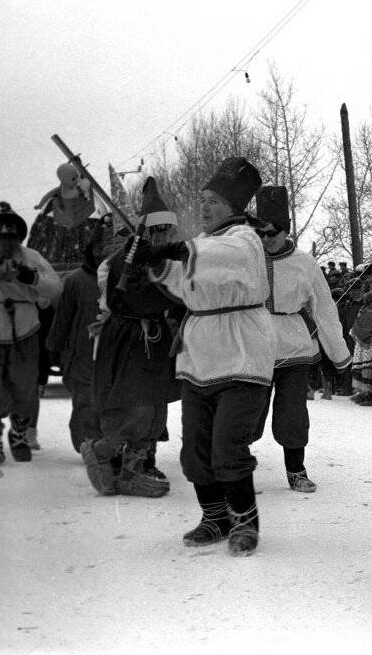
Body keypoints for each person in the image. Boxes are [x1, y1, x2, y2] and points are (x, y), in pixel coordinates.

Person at [135, 157, 275, 556]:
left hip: (241, 353)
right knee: (195, 449)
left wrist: (178, 248)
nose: (205, 206)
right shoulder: (203, 245)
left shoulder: (245, 239)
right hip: (200, 354)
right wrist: (159, 264)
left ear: (233, 206)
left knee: (228, 446)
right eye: (203, 200)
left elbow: (222, 258)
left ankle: (245, 521)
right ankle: (214, 517)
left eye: (213, 200)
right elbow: (190, 283)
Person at [81, 178, 182, 498]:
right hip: (129, 337)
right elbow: (141, 297)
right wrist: (176, 293)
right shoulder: (128, 259)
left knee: (153, 405)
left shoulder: (157, 258)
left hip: (151, 337)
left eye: (168, 229)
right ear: (148, 230)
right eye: (159, 229)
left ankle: (131, 472)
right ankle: (100, 451)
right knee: (135, 406)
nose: (164, 235)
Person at [252, 186, 351, 492]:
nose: (267, 239)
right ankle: (238, 464)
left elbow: (324, 308)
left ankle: (296, 470)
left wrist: (339, 354)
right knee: (247, 410)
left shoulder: (305, 263)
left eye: (273, 233)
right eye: (262, 233)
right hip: (253, 345)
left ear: (286, 231)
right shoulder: (246, 258)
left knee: (292, 413)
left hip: (294, 345)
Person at [0, 202, 61, 464]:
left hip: (26, 333)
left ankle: (19, 433)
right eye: (1, 233)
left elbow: (56, 290)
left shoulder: (32, 257)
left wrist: (30, 278)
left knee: (25, 387)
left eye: (10, 234)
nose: (6, 238)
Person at [45, 226, 107, 453]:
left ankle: (111, 445)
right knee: (87, 401)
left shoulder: (124, 278)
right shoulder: (76, 281)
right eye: (99, 248)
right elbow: (63, 317)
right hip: (82, 353)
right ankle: (89, 445)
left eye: (108, 249)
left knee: (113, 403)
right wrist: (55, 345)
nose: (103, 253)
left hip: (116, 353)